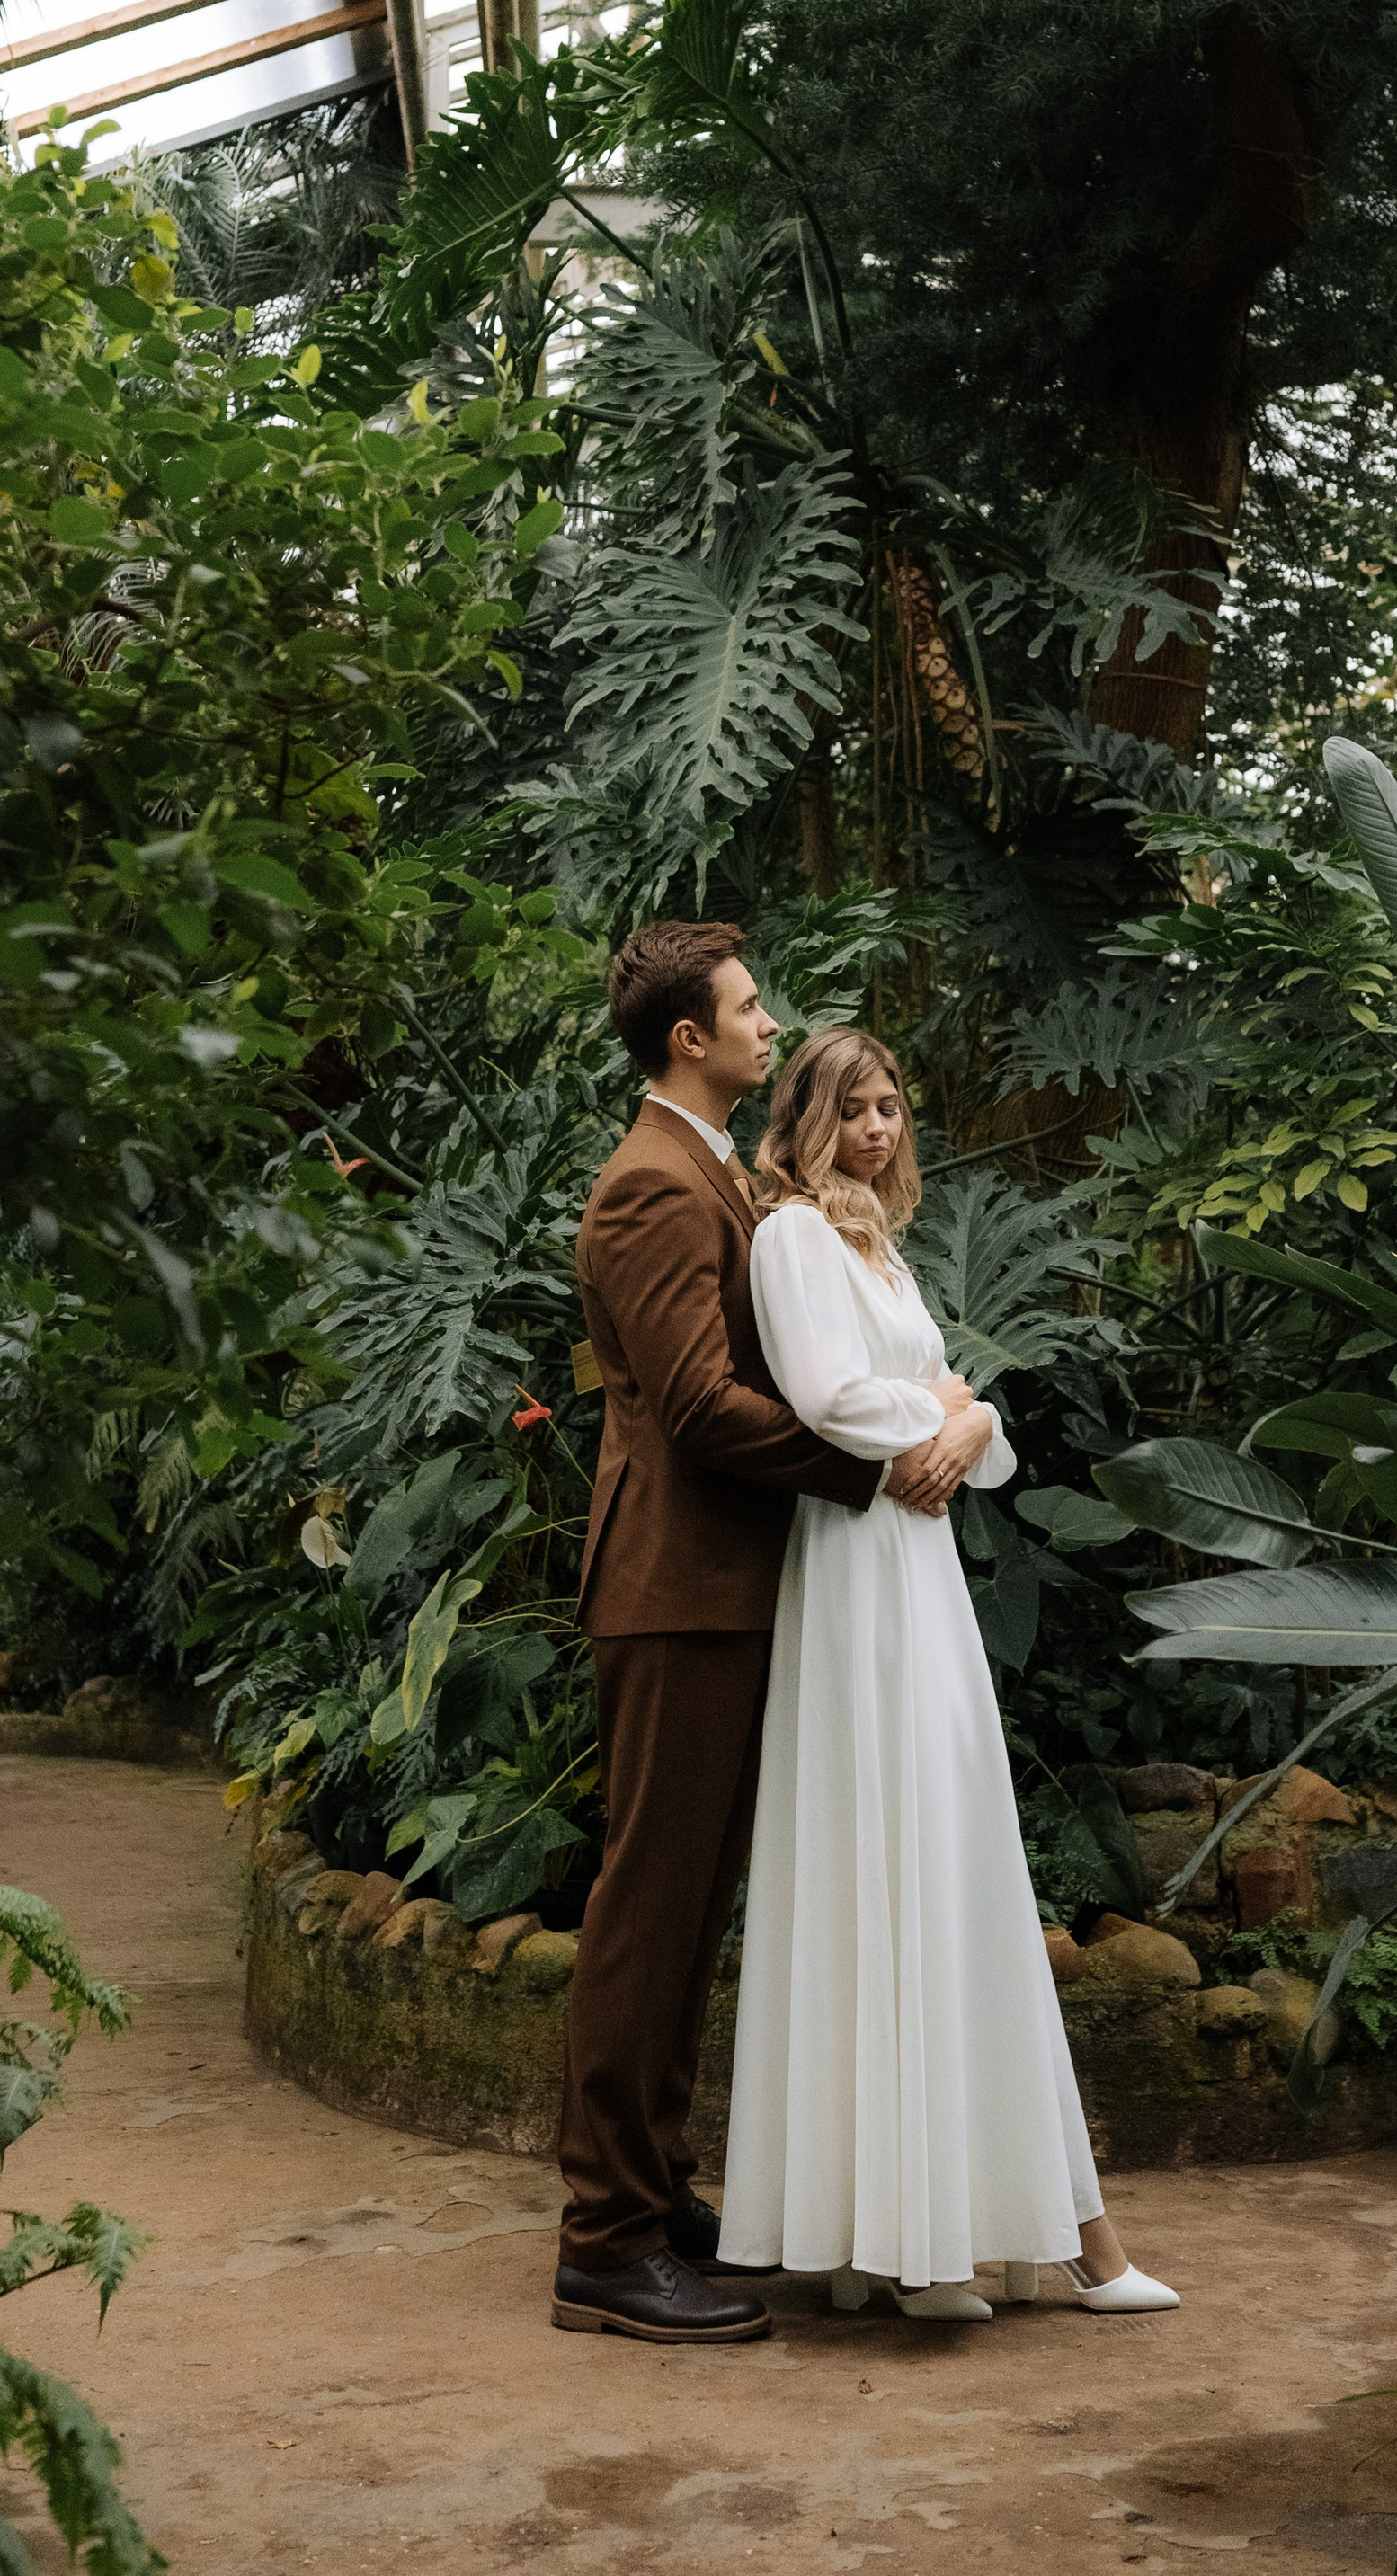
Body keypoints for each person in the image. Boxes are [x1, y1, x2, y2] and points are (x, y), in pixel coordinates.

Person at [717, 1025, 1179, 2323]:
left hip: (916, 1568)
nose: (879, 1128)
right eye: (855, 1108)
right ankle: (909, 2245)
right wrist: (953, 1411)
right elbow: (830, 1401)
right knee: (892, 1855)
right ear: (809, 1117)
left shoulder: (879, 1244)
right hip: (858, 1565)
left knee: (952, 1856)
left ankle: (950, 2234)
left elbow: (964, 1437)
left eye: (892, 1106)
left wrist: (973, 1421)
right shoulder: (793, 1237)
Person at [551, 927, 968, 2344]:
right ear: (690, 1039)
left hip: (725, 1586)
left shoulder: (714, 1172)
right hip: (674, 1587)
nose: (769, 1024)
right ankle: (605, 2241)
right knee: (649, 1910)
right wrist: (880, 1461)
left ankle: (655, 2189)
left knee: (686, 1910)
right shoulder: (651, 1186)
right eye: (747, 1008)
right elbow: (697, 1407)